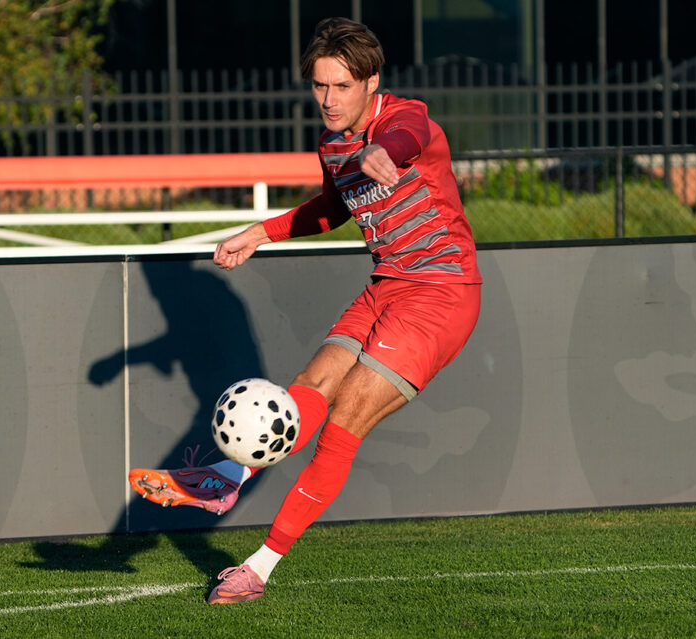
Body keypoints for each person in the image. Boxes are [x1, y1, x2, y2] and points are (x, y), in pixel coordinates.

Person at [128, 17, 482, 603]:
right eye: (319, 86)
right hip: (385, 286)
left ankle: (258, 569)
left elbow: (407, 139)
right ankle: (226, 478)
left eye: (341, 87)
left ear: (372, 82)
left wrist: (382, 153)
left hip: (441, 295)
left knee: (344, 420)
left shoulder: (403, 117)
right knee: (306, 389)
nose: (327, 100)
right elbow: (332, 207)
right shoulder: (333, 142)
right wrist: (260, 233)